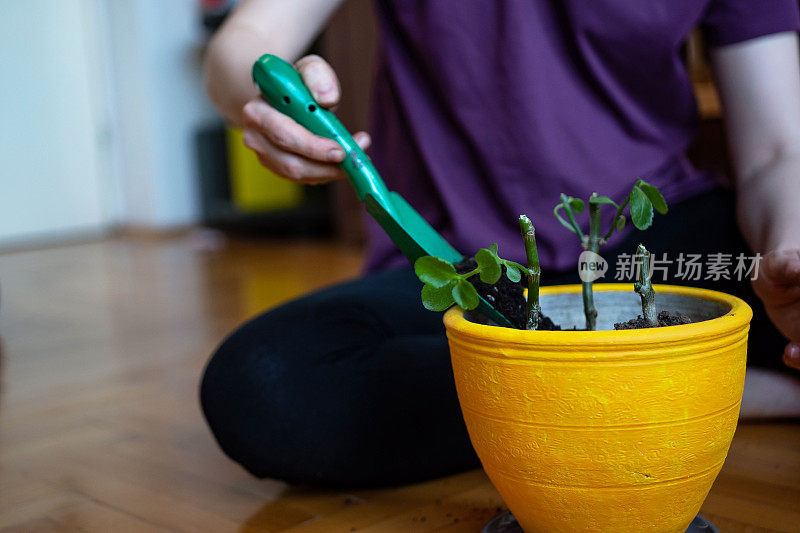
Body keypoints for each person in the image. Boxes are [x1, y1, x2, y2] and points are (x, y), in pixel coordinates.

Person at [201, 0, 800, 487]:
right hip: (461, 263)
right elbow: (244, 39)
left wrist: (788, 251)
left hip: (652, 244)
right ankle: (693, 387)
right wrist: (257, 105)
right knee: (266, 384)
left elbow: (777, 152)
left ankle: (573, 393)